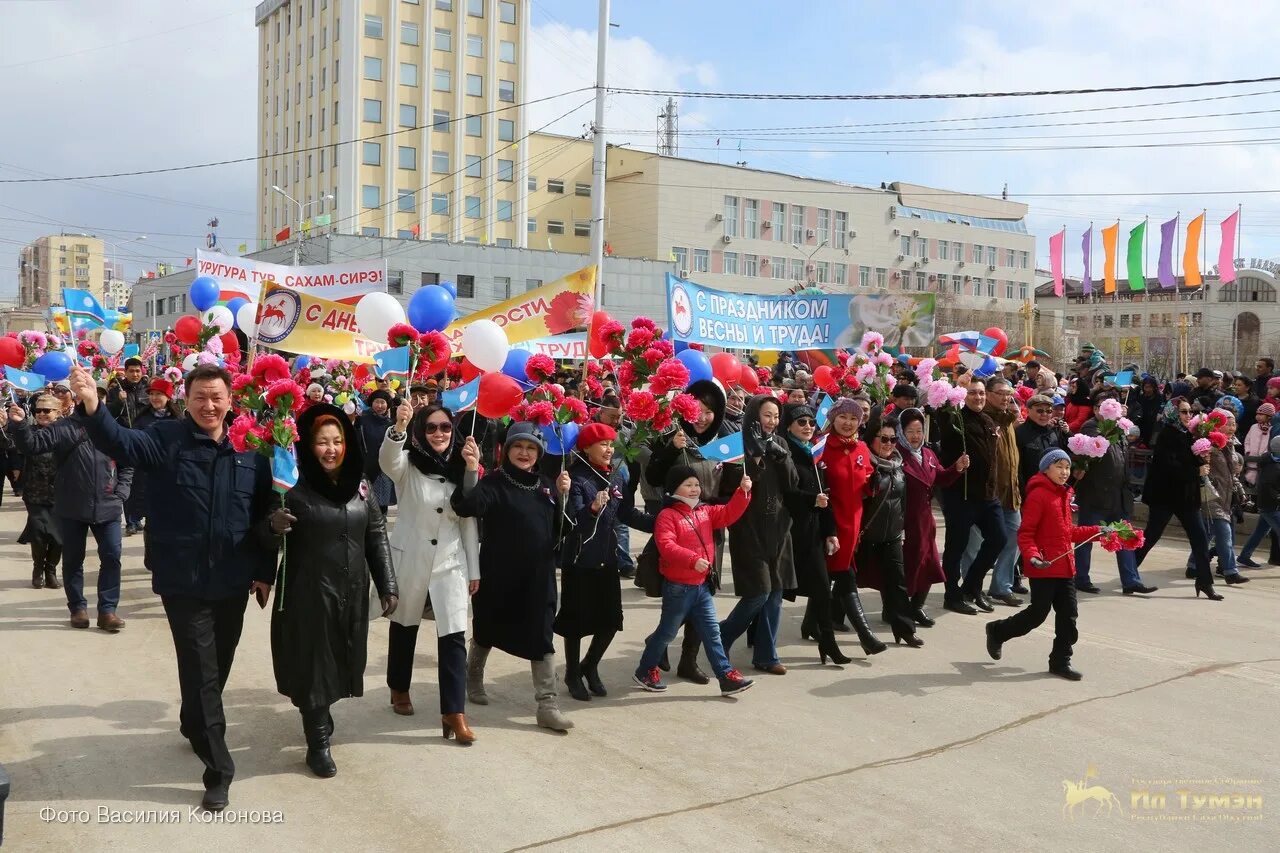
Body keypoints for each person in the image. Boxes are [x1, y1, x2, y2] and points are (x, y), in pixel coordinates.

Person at [67, 362, 276, 812]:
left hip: (233, 579)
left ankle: (192, 721)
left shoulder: (250, 448)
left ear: (230, 399)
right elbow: (119, 441)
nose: (209, 405)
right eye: (200, 397)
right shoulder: (166, 440)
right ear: (187, 400)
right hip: (183, 580)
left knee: (217, 666)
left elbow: (263, 515)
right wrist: (91, 404)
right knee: (201, 671)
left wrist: (264, 570)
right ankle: (219, 769)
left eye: (217, 396)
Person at [263, 405, 398, 777]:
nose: (331, 449)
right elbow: (260, 531)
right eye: (322, 442)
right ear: (307, 444)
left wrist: (387, 583)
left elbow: (376, 535)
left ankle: (320, 715)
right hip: (308, 593)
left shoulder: (361, 485)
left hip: (351, 591)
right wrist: (272, 525)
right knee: (314, 668)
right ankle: (317, 742)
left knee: (341, 661)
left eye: (337, 441)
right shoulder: (291, 484)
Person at [452, 423, 575, 732]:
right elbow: (467, 506)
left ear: (539, 453)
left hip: (538, 578)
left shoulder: (546, 485)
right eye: (518, 446)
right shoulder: (493, 483)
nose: (524, 453)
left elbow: (562, 531)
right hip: (499, 576)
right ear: (506, 450)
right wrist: (470, 469)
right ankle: (473, 676)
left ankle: (547, 704)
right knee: (486, 629)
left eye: (531, 448)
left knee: (542, 636)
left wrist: (564, 497)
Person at [379, 401, 479, 741]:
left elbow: (468, 519)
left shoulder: (460, 466)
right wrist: (399, 427)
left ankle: (454, 712)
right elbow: (386, 460)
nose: (439, 433)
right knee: (404, 626)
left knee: (454, 635)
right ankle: (399, 687)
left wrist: (474, 569)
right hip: (411, 557)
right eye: (431, 427)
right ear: (421, 431)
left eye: (446, 427)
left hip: (451, 563)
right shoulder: (407, 464)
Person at [9, 389, 132, 632]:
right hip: (71, 506)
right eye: (85, 396)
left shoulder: (112, 429)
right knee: (74, 560)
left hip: (108, 507)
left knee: (112, 558)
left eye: (97, 396)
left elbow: (128, 461)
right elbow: (33, 444)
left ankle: (108, 611)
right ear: (77, 400)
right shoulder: (65, 427)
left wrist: (121, 492)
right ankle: (78, 608)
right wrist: (19, 424)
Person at [632, 465, 754, 696]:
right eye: (688, 485)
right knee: (667, 633)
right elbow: (666, 546)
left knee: (712, 633)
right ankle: (645, 670)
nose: (694, 489)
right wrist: (692, 559)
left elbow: (728, 514)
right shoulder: (667, 515)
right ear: (674, 489)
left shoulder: (704, 511)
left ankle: (725, 676)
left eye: (696, 484)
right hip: (678, 587)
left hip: (701, 586)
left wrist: (743, 492)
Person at [643, 379, 733, 683]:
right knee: (681, 598)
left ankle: (689, 661)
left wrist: (708, 505)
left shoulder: (724, 442)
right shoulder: (672, 434)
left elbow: (732, 487)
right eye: (698, 408)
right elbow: (654, 475)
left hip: (709, 528)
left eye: (710, 411)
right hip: (679, 528)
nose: (703, 417)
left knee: (705, 593)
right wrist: (671, 449)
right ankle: (659, 643)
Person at [556, 423, 653, 700]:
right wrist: (594, 507)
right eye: (603, 444)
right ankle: (572, 672)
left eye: (612, 444)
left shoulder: (616, 477)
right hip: (579, 558)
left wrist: (660, 523)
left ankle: (590, 665)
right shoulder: (574, 478)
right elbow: (574, 521)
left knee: (610, 621)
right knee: (575, 624)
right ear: (586, 448)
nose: (609, 449)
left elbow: (626, 513)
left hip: (607, 557)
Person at [983, 450, 1099, 681]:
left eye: (1067, 467)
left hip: (1065, 567)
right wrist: (1034, 556)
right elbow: (1026, 534)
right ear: (1046, 469)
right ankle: (998, 631)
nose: (1064, 472)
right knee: (1037, 615)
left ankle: (1060, 661)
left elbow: (1069, 533)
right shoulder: (1039, 495)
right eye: (1059, 467)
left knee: (1069, 616)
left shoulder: (1063, 494)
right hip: (1044, 567)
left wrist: (1099, 532)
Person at [719, 394, 799, 674]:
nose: (772, 422)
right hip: (748, 529)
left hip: (779, 528)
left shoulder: (780, 443)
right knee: (758, 593)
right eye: (767, 415)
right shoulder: (737, 447)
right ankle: (720, 637)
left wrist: (781, 456)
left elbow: (791, 484)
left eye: (776, 416)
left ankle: (767, 654)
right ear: (754, 416)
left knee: (775, 593)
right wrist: (753, 459)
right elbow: (724, 487)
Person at [1135, 398, 1221, 600]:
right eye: (1183, 412)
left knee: (1200, 539)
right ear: (1173, 413)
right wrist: (1196, 469)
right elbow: (1169, 467)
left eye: (1190, 411)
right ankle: (1129, 573)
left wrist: (1203, 456)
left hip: (1186, 497)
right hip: (1165, 496)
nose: (1188, 415)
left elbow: (1188, 461)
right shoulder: (1166, 435)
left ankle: (1205, 582)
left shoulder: (1187, 434)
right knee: (1151, 536)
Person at [780, 402, 845, 664]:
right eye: (801, 422)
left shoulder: (815, 453)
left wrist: (831, 531)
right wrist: (811, 500)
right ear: (789, 426)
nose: (808, 427)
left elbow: (825, 496)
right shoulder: (785, 453)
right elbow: (787, 493)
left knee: (822, 589)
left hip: (813, 532)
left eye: (810, 422)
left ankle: (827, 642)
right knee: (775, 593)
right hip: (789, 533)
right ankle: (755, 633)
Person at [820, 398, 886, 654]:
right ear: (833, 418)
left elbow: (866, 483)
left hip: (854, 523)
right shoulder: (822, 447)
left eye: (854, 419)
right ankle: (866, 636)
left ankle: (809, 624)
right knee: (842, 576)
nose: (848, 423)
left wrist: (874, 482)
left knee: (835, 575)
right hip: (830, 523)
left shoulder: (861, 447)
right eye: (843, 417)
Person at [936, 379, 1008, 614]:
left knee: (999, 539)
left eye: (980, 393)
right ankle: (952, 594)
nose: (978, 397)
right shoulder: (955, 418)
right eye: (972, 393)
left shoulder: (988, 420)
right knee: (956, 547)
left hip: (987, 496)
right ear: (962, 396)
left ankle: (972, 587)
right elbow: (944, 427)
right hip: (961, 495)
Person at [1074, 395, 1158, 595]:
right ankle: (1081, 577)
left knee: (1125, 537)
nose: (1110, 412)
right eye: (1104, 407)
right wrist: (1114, 425)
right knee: (1087, 538)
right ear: (1096, 409)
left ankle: (1131, 581)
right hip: (1096, 495)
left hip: (1119, 495)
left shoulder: (1119, 430)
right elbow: (1097, 448)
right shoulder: (1090, 427)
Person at [855, 416, 921, 647]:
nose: (889, 444)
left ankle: (904, 629)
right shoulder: (863, 464)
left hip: (891, 535)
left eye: (893, 439)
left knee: (897, 582)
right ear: (871, 438)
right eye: (883, 438)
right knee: (846, 581)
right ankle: (820, 620)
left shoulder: (898, 465)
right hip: (864, 534)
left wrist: (900, 529)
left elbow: (902, 501)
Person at [896, 408, 966, 626]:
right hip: (903, 520)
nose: (916, 436)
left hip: (925, 521)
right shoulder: (895, 454)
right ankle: (896, 609)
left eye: (919, 430)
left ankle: (916, 607)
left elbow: (941, 479)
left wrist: (957, 468)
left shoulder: (928, 454)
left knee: (929, 565)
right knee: (904, 567)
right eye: (910, 431)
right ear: (901, 432)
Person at [1192, 409, 1249, 586]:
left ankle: (1192, 565)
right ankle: (1230, 571)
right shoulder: (1206, 444)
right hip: (1212, 496)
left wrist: (1240, 492)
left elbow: (1232, 475)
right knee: (1225, 534)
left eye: (1234, 424)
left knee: (1207, 534)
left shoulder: (1231, 445)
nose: (1232, 427)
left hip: (1226, 497)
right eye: (1228, 424)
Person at [17, 392, 63, 589]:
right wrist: (12, 424)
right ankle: (38, 569)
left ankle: (51, 569)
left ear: (58, 412)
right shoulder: (29, 431)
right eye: (38, 410)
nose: (42, 414)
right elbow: (17, 444)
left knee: (58, 537)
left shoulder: (65, 432)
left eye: (47, 410)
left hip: (62, 494)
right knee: (38, 533)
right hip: (35, 492)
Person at [123, 378, 180, 536]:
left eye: (159, 394)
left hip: (167, 467)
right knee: (138, 495)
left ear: (168, 397)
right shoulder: (143, 418)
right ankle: (133, 521)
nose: (154, 398)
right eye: (152, 394)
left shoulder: (177, 419)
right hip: (144, 466)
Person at [1238, 435, 1280, 567]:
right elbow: (1268, 487)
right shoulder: (1273, 466)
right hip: (1271, 506)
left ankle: (1244, 556)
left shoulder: (1270, 461)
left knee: (1260, 532)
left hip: (1267, 505)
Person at [1015, 394, 1068, 493]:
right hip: (1031, 490)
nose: (1044, 414)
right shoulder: (1020, 433)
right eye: (1040, 411)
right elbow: (1018, 469)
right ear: (1028, 410)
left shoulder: (1054, 431)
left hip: (1054, 488)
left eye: (1049, 411)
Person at [357, 390, 396, 514]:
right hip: (366, 466)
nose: (379, 406)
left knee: (382, 505)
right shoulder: (362, 420)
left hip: (383, 470)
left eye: (383, 402)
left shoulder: (391, 424)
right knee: (365, 502)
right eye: (376, 402)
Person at [106, 357, 150, 427]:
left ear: (142, 372)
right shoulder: (115, 391)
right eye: (131, 371)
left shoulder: (148, 390)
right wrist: (119, 401)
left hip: (144, 432)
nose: (135, 374)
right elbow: (108, 414)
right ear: (125, 372)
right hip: (124, 432)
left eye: (137, 371)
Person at [1242, 402, 1274, 490]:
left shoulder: (1272, 429)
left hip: (1263, 459)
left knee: (1261, 477)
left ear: (1269, 417)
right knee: (1249, 475)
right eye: (1257, 414)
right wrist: (1248, 451)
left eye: (1261, 414)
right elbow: (1247, 440)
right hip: (1251, 457)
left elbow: (1271, 443)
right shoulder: (1253, 427)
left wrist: (1265, 454)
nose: (1258, 416)